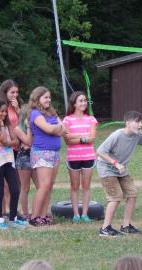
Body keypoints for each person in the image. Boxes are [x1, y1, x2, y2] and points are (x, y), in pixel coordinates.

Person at [96, 111, 142, 237]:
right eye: (137, 122)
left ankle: (126, 226)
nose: (140, 125)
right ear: (128, 123)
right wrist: (116, 163)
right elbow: (100, 151)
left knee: (132, 193)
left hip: (121, 169)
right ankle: (105, 229)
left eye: (141, 122)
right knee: (115, 196)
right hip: (107, 168)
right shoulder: (117, 135)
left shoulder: (137, 134)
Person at [0, 98, 27, 229]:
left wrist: (5, 143)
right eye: (1, 111)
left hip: (9, 160)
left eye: (5, 111)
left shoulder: (9, 125)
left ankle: (13, 217)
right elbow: (2, 138)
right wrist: (2, 126)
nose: (4, 114)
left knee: (15, 189)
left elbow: (15, 141)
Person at [28, 86, 67, 226]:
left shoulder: (52, 112)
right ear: (37, 98)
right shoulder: (35, 113)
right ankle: (34, 217)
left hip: (55, 152)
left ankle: (43, 216)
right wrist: (56, 128)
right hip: (42, 153)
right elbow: (49, 129)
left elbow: (64, 129)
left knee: (50, 185)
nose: (48, 100)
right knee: (43, 185)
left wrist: (56, 129)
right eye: (45, 97)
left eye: (49, 97)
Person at [62, 91, 98, 223]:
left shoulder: (91, 119)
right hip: (73, 157)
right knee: (74, 186)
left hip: (88, 156)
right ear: (74, 103)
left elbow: (92, 138)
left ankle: (85, 214)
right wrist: (84, 137)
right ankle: (76, 214)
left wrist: (76, 137)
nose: (83, 103)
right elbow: (67, 139)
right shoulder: (67, 120)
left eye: (85, 100)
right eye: (80, 101)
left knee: (86, 185)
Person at [0, 79, 23, 215]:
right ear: (5, 92)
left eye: (17, 92)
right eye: (12, 92)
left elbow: (25, 121)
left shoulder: (17, 106)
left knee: (17, 182)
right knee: (5, 184)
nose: (15, 95)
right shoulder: (0, 107)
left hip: (19, 147)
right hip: (6, 148)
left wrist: (18, 109)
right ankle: (5, 210)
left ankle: (14, 209)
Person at [13, 104, 35, 220]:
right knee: (25, 187)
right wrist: (28, 127)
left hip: (35, 156)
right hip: (24, 158)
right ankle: (25, 213)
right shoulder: (17, 128)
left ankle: (37, 212)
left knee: (40, 186)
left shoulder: (35, 126)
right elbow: (28, 141)